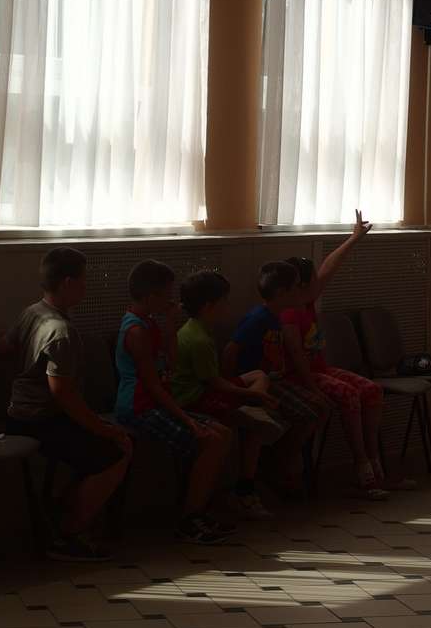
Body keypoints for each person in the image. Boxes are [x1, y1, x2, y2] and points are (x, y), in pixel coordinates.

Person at [2, 247, 131, 562]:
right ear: (68, 283)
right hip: (42, 420)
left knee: (100, 449)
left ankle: (64, 509)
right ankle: (69, 533)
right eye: (84, 280)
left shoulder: (32, 312)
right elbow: (64, 395)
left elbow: (4, 346)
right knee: (119, 449)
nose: (87, 287)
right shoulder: (61, 332)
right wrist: (103, 428)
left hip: (18, 413)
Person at [281, 211, 407, 497]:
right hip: (301, 376)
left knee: (372, 390)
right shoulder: (289, 313)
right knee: (349, 395)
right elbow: (296, 357)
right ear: (299, 285)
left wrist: (354, 238)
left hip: (321, 369)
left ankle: (375, 462)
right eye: (312, 281)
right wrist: (313, 389)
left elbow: (329, 266)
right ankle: (362, 468)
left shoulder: (306, 301)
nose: (318, 283)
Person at [114, 260, 233, 544]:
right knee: (210, 440)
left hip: (156, 402)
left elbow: (172, 362)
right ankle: (190, 518)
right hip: (139, 408)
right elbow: (153, 386)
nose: (172, 300)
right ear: (151, 295)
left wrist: (169, 324)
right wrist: (187, 419)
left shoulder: (150, 324)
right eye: (167, 294)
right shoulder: (136, 331)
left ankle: (198, 508)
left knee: (222, 433)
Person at [173, 271, 284, 520]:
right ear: (209, 306)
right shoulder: (198, 339)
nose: (228, 306)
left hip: (209, 388)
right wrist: (249, 394)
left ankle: (254, 408)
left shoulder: (199, 329)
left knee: (259, 376)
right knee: (256, 427)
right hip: (196, 398)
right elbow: (214, 384)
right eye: (224, 301)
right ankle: (254, 414)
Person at [222, 261, 326, 497]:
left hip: (276, 381)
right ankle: (277, 467)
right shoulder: (258, 318)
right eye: (295, 287)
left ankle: (281, 462)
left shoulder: (277, 317)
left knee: (319, 408)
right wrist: (233, 387)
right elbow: (230, 350)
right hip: (260, 384)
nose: (300, 291)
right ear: (281, 293)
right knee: (309, 413)